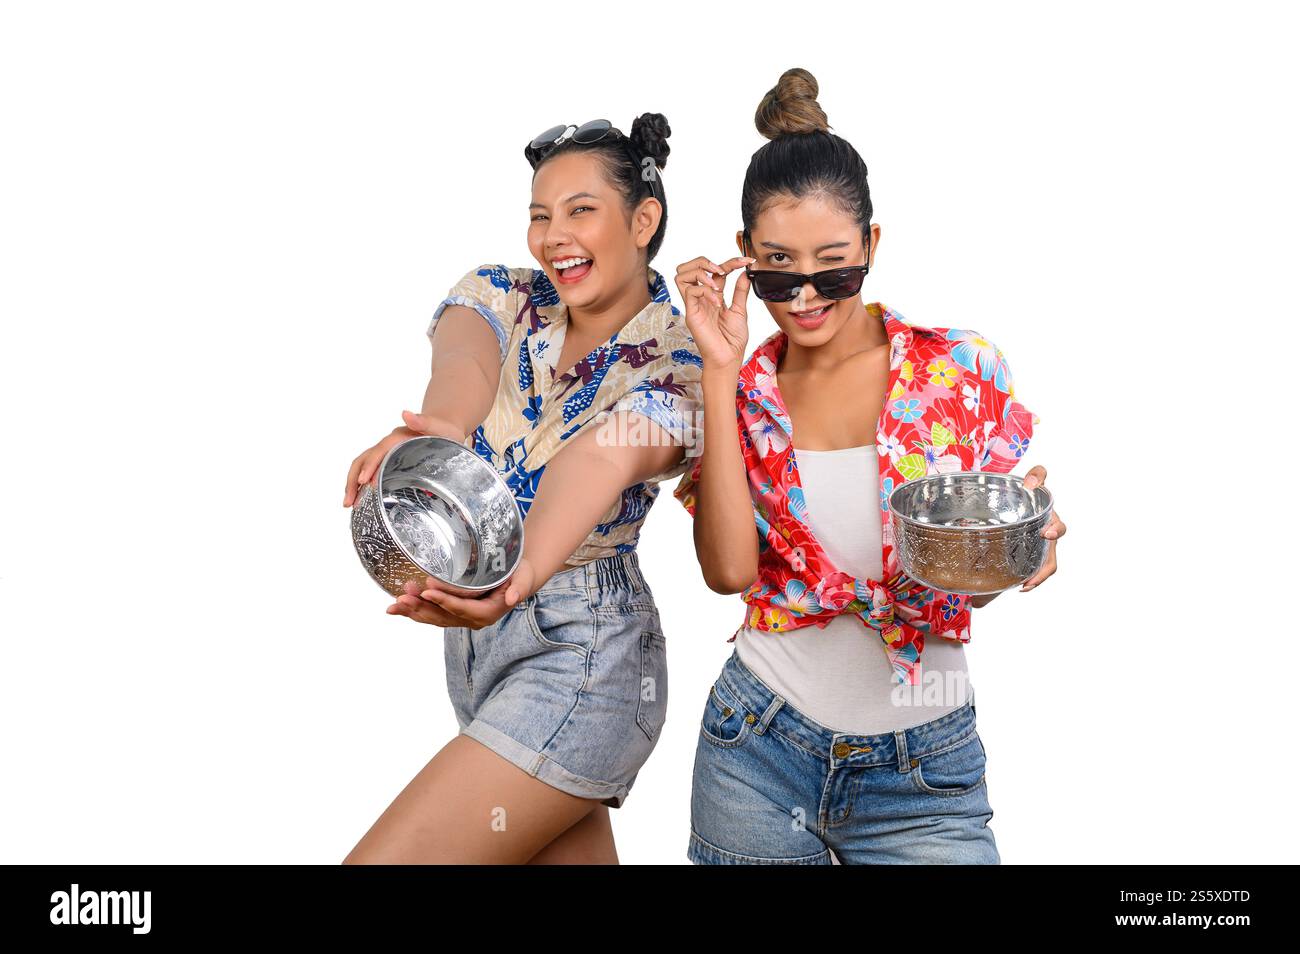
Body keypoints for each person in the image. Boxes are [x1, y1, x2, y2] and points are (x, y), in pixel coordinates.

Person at [672, 68, 1068, 865]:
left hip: (925, 770)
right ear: (744, 257)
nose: (808, 293)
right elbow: (726, 572)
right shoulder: (741, 393)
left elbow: (971, 585)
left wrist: (1020, 541)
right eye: (780, 268)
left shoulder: (958, 370)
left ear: (873, 248)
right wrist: (718, 367)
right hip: (757, 750)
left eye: (835, 267)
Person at [341, 114, 704, 864]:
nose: (554, 236)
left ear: (643, 220)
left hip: (586, 656)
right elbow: (464, 362)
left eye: (581, 211)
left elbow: (599, 459)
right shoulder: (507, 295)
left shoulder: (684, 364)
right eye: (541, 215)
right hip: (482, 651)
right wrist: (435, 428)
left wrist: (520, 577)